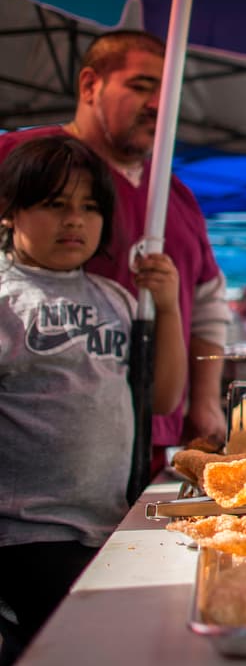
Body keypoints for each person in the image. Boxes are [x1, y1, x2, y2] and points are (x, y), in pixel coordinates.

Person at [0, 30, 231, 468]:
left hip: (148, 446)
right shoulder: (14, 158)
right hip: (30, 456)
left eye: (168, 94)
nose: (157, 105)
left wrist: (203, 399)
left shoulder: (177, 197)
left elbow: (207, 303)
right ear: (90, 85)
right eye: (142, 86)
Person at [0, 137, 185, 666]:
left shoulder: (119, 301)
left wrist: (168, 308)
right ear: (10, 212)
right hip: (29, 536)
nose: (74, 220)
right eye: (54, 204)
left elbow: (162, 398)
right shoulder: (7, 301)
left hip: (113, 523)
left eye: (89, 207)